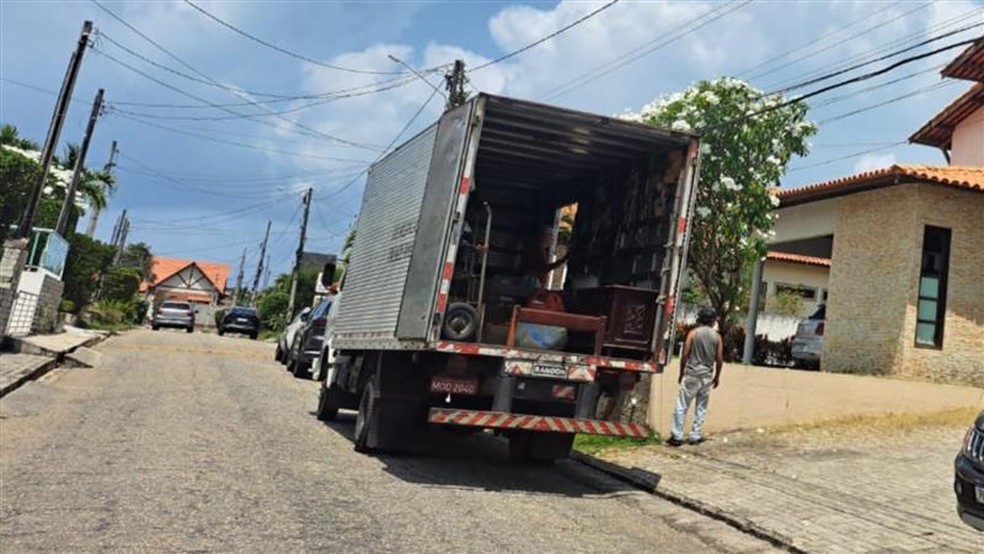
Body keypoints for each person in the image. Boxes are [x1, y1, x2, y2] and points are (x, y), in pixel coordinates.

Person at [667, 307, 723, 446]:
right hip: (706, 376)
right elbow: (720, 359)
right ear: (713, 320)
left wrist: (681, 372)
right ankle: (695, 435)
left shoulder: (693, 333)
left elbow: (685, 354)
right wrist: (717, 376)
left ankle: (677, 436)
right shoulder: (717, 337)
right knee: (701, 407)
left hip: (691, 373)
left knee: (682, 405)